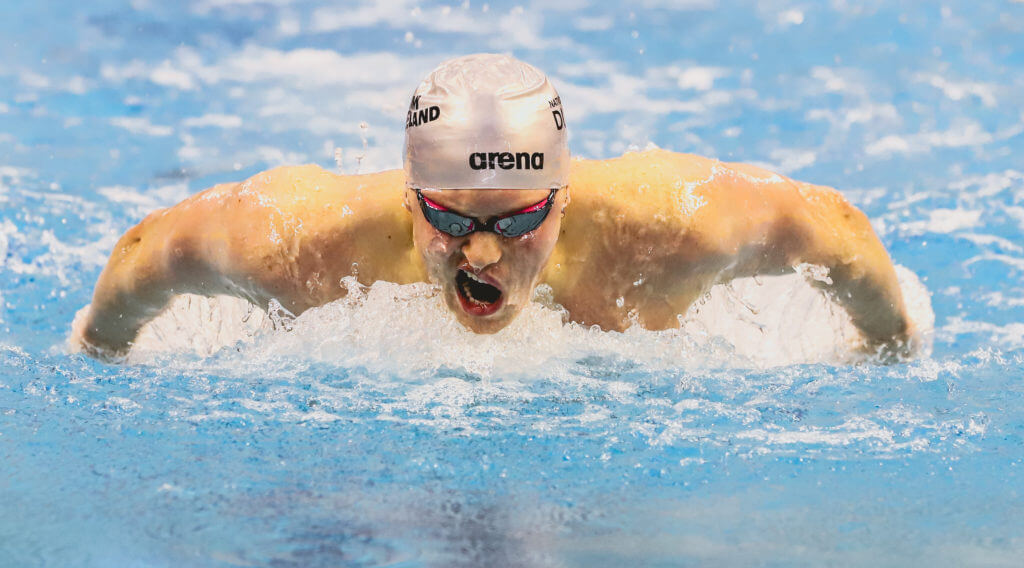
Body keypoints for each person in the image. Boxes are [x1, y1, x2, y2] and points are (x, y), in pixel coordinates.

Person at [71, 53, 913, 361]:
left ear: (563, 192)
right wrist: (98, 352)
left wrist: (891, 345)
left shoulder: (672, 229)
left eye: (515, 221)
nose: (481, 255)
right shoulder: (298, 244)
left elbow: (835, 230)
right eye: (449, 219)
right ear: (409, 195)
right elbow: (149, 251)